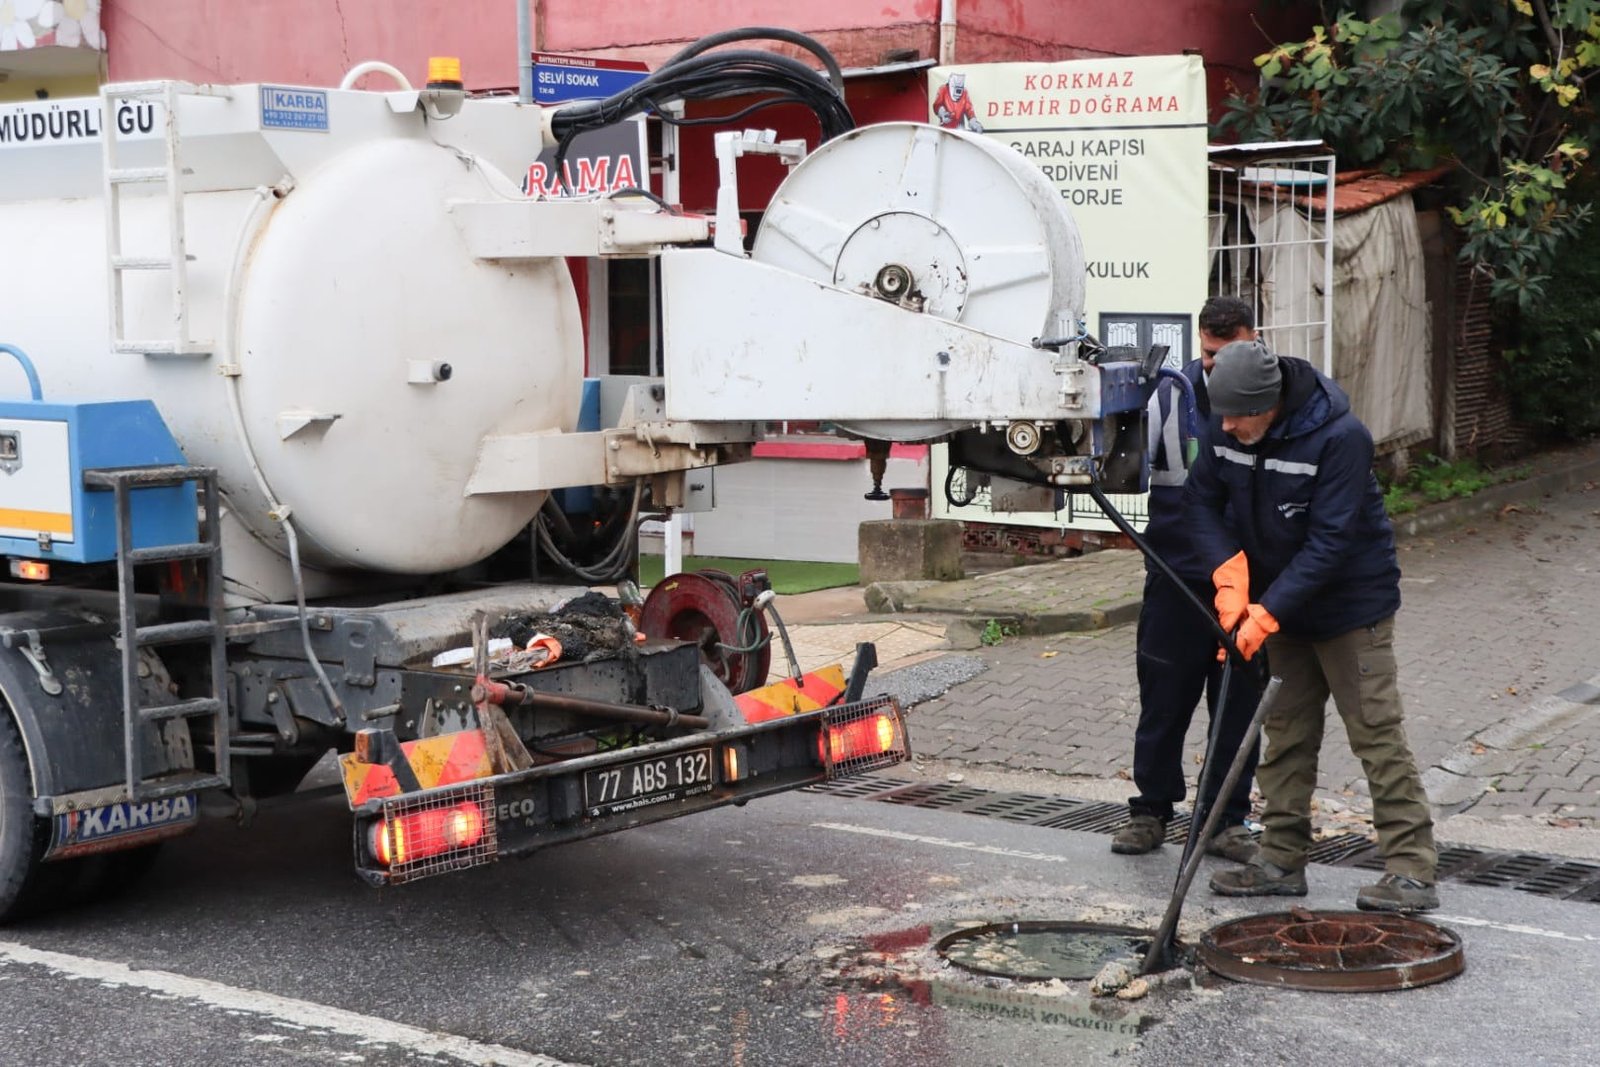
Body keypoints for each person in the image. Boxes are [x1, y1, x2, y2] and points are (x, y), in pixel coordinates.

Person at [1185, 339, 1439, 912]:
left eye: (1237, 415)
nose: (1225, 426)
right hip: (1279, 605)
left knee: (1375, 733)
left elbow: (1330, 542)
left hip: (1351, 609)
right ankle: (1279, 859)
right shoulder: (1226, 429)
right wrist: (1230, 581)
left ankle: (1412, 870)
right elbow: (1199, 503)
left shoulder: (1341, 439)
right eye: (1219, 413)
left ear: (1270, 403)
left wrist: (1266, 614)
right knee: (1286, 734)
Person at [1111, 296, 1262, 862]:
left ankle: (1227, 821)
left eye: (1230, 354)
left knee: (1237, 709)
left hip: (1245, 585)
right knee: (1164, 700)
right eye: (1209, 355)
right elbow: (1125, 468)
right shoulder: (1170, 395)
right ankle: (1150, 811)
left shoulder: (1271, 399)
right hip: (1175, 576)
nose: (1216, 367)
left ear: (1256, 340)